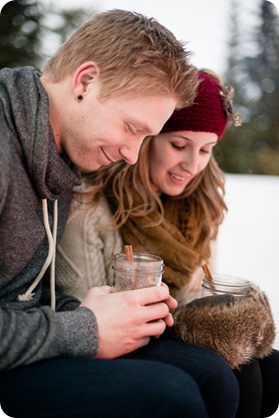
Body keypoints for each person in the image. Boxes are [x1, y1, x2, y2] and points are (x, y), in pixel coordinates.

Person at [0, 8, 228, 418]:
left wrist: (94, 311)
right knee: (171, 395)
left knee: (216, 377)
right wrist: (85, 327)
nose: (131, 154)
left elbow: (25, 296)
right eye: (131, 128)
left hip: (38, 340)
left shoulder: (62, 155)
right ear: (85, 82)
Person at [56, 69, 279, 418]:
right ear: (148, 138)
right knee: (232, 373)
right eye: (179, 145)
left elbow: (193, 297)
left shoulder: (198, 207)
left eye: (206, 150)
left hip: (170, 329)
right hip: (115, 342)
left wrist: (223, 317)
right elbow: (87, 321)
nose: (192, 165)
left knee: (270, 366)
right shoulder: (91, 208)